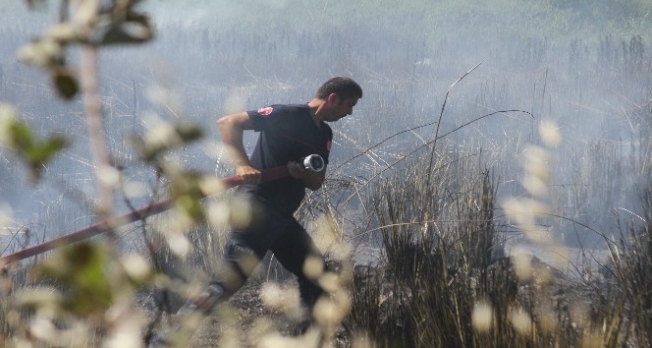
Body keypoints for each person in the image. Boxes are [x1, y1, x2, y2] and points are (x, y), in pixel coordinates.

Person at [154, 77, 363, 344]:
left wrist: (302, 171)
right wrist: (242, 165)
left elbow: (316, 183)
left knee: (316, 274)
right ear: (332, 98)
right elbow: (228, 122)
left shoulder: (324, 135)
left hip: (282, 219)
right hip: (256, 209)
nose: (350, 112)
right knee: (226, 284)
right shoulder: (286, 114)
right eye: (349, 105)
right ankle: (164, 342)